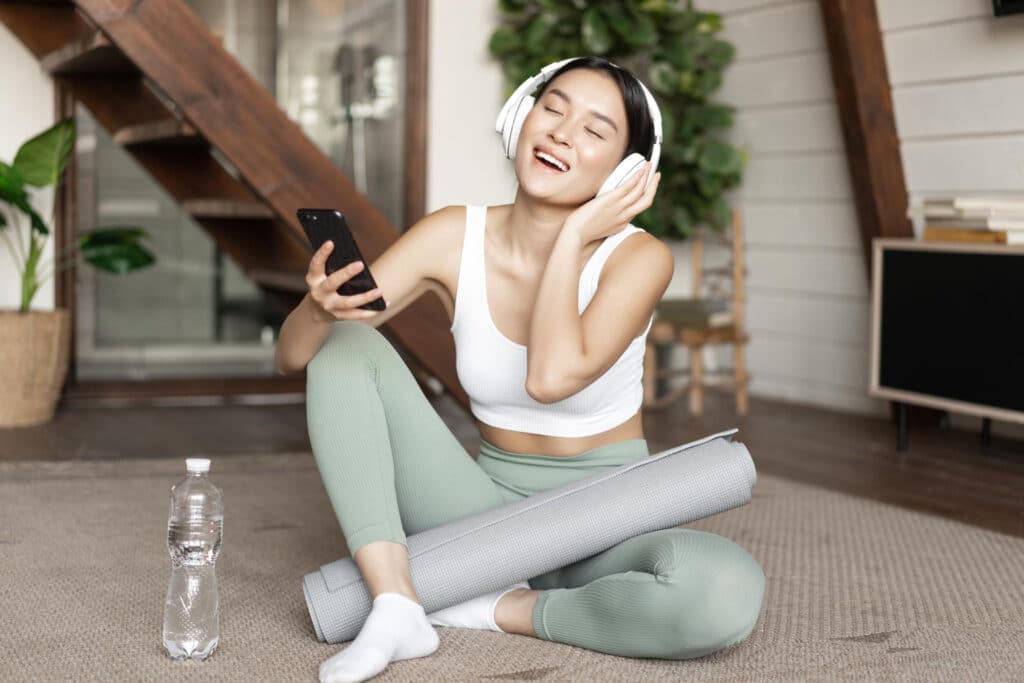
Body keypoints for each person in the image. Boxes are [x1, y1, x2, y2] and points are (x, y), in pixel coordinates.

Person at [275, 56, 765, 683]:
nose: (562, 132)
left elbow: (550, 378)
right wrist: (318, 311)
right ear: (519, 118)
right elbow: (293, 357)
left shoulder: (640, 259)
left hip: (607, 515)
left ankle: (485, 604)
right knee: (345, 344)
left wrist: (572, 237)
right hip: (483, 513)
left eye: (595, 130)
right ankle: (398, 602)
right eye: (553, 107)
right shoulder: (453, 235)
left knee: (721, 592)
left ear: (626, 172)